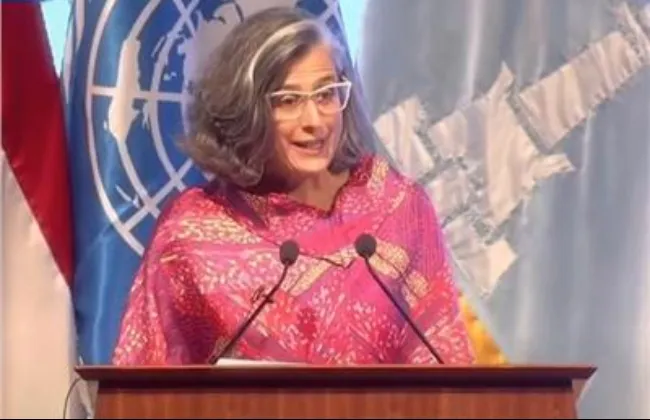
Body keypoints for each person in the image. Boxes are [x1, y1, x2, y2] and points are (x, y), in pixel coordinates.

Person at [111, 6, 477, 366]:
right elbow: (144, 379)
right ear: (245, 110)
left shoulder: (398, 206)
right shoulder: (191, 232)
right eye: (288, 101)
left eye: (326, 94)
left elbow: (445, 364)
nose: (315, 120)